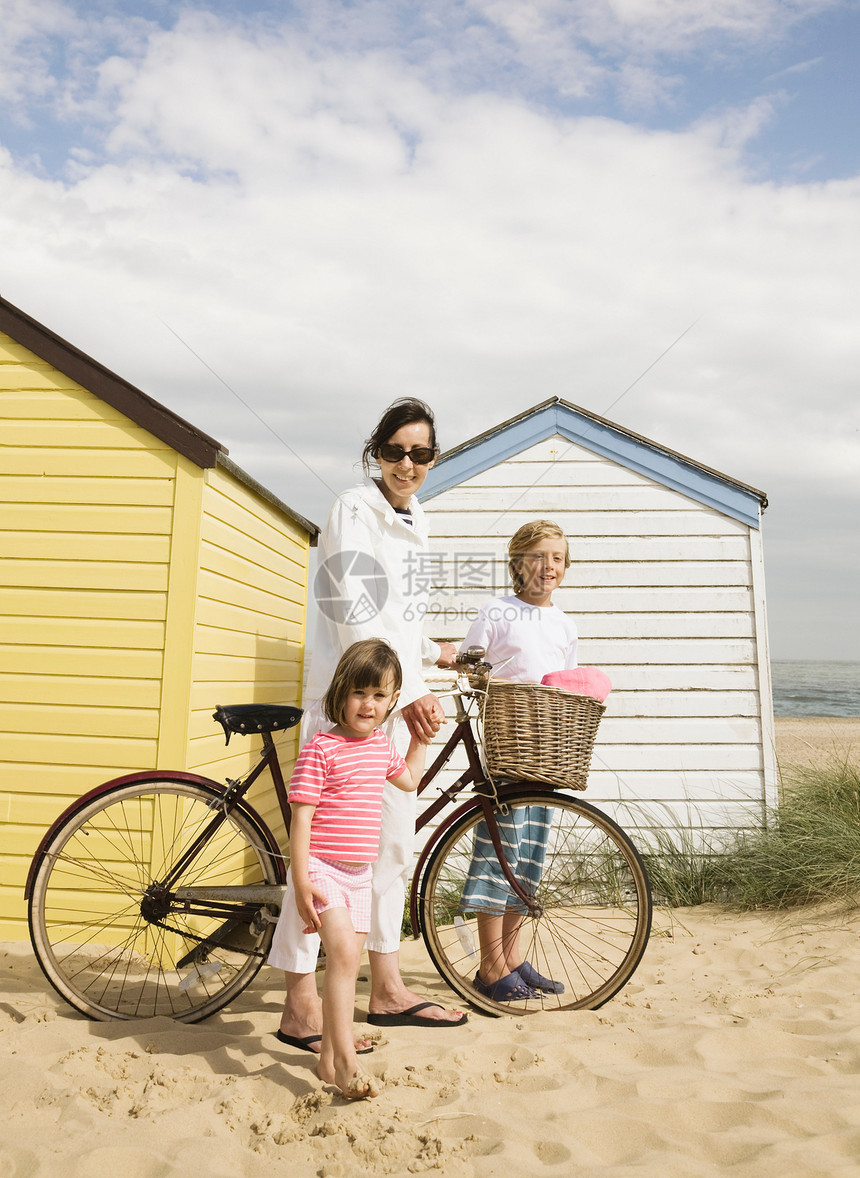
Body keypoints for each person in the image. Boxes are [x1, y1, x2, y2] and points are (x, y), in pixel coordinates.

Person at [269, 397, 466, 1049]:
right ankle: (301, 1006)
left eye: (420, 453)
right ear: (375, 454)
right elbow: (355, 611)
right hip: (353, 705)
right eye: (395, 451)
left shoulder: (419, 524)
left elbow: (400, 620)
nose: (407, 464)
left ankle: (385, 987)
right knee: (325, 857)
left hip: (392, 701)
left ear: (434, 460)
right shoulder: (353, 509)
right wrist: (406, 690)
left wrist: (436, 653)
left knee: (388, 848)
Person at [288, 639, 427, 1099]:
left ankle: (328, 1058)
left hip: (359, 875)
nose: (368, 704)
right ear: (341, 693)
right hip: (323, 869)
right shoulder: (321, 749)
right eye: (359, 693)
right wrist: (302, 878)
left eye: (380, 696)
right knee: (344, 955)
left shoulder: (382, 747)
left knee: (347, 966)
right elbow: (302, 814)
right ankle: (347, 1061)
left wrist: (420, 741)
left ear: (392, 701)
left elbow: (408, 780)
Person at [458, 519, 578, 1002]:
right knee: (499, 853)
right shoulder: (497, 611)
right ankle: (490, 968)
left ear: (566, 567)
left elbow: (566, 687)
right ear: (517, 563)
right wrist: (479, 671)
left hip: (546, 750)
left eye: (556, 557)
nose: (546, 566)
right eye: (536, 555)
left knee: (529, 857)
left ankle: (513, 958)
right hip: (509, 745)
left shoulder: (566, 624)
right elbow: (471, 661)